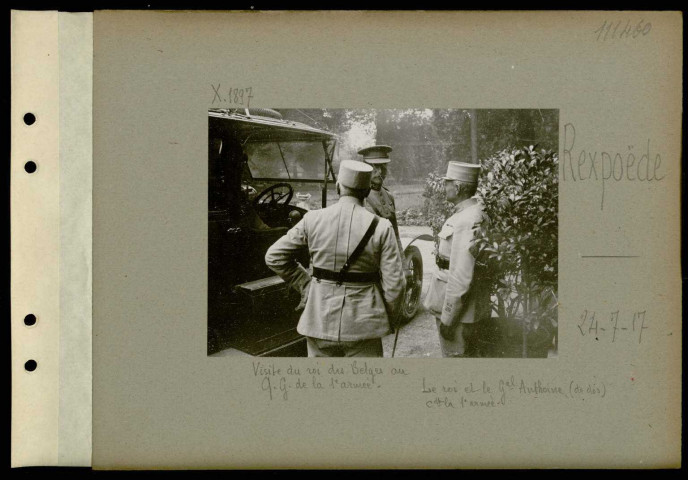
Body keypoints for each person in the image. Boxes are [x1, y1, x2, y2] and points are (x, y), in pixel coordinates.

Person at [265, 160, 406, 357]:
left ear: (338, 187)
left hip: (318, 318)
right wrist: (386, 317)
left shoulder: (312, 219)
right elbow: (395, 286)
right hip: (364, 325)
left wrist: (306, 285)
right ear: (367, 192)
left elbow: (274, 256)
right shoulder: (382, 227)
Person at [423, 161, 490, 358]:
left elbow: (461, 275)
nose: (444, 188)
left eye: (447, 183)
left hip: (459, 315)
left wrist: (448, 319)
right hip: (471, 310)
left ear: (458, 187)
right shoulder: (476, 212)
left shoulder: (465, 220)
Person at [358, 145, 405, 256]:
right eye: (375, 167)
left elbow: (395, 235)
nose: (380, 171)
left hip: (388, 258)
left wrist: (403, 265)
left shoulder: (389, 196)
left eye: (383, 166)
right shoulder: (359, 196)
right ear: (366, 167)